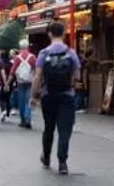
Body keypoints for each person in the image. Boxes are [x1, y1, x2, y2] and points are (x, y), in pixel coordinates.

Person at [33, 21, 81, 174]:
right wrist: (71, 83)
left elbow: (37, 76)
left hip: (48, 95)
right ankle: (62, 163)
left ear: (49, 34)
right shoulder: (71, 52)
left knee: (49, 127)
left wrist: (34, 95)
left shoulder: (44, 53)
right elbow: (77, 74)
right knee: (64, 129)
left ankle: (46, 157)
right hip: (67, 95)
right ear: (64, 32)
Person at [9, 40, 36, 129]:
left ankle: (22, 120)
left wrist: (7, 83)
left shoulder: (18, 58)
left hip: (20, 82)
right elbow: (36, 70)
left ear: (20, 47)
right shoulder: (32, 57)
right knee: (28, 100)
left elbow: (12, 71)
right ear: (28, 46)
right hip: (30, 81)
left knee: (21, 101)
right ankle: (27, 118)